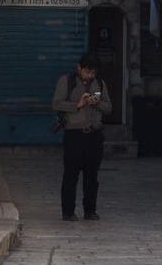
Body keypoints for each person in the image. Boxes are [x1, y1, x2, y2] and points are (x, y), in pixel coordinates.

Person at [52, 53, 112, 221]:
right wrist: (77, 105)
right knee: (71, 174)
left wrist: (97, 103)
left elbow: (108, 108)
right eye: (87, 72)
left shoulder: (99, 83)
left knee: (92, 176)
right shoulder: (67, 81)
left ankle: (90, 210)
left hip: (94, 135)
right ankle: (68, 211)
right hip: (74, 134)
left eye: (93, 73)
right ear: (79, 68)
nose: (90, 76)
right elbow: (56, 104)